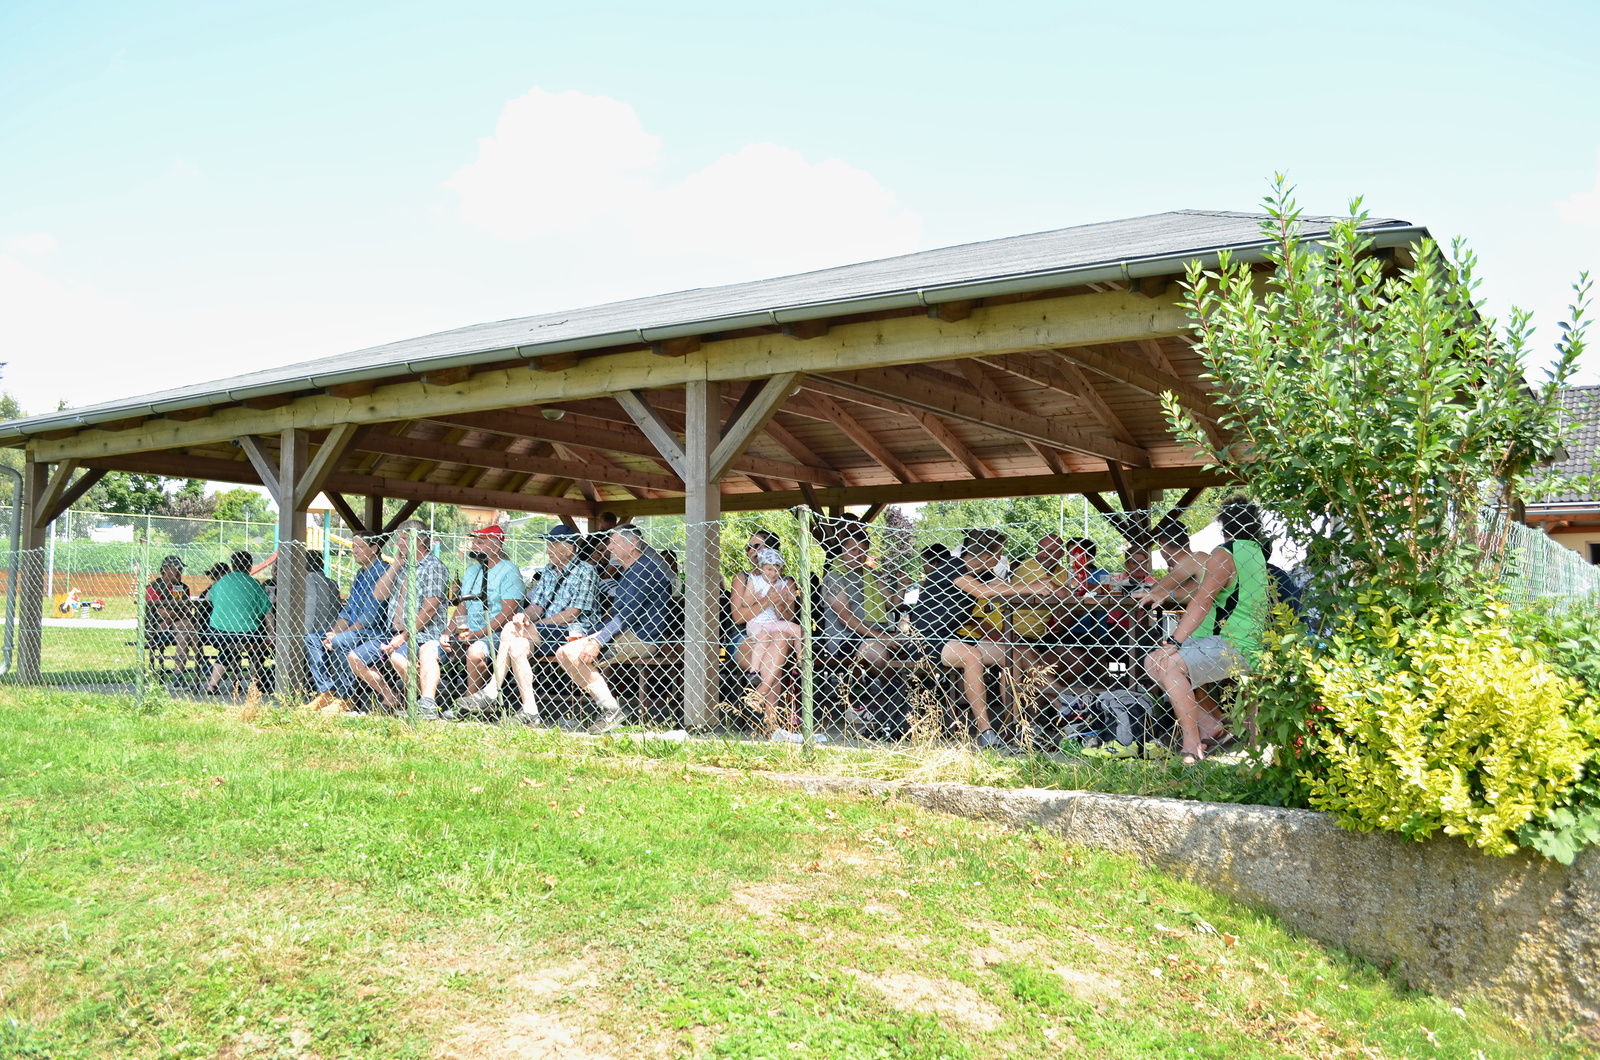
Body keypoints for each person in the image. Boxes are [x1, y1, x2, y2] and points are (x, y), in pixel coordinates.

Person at [911, 528, 1070, 753]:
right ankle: (986, 731)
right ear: (987, 556)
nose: (1000, 559)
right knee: (971, 656)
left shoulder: (981, 572)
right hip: (926, 639)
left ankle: (1021, 723)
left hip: (952, 637)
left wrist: (1048, 586)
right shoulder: (952, 566)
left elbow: (999, 587)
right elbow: (981, 592)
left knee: (1014, 653)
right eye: (999, 554)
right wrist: (1031, 587)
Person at [1143, 497, 1271, 765]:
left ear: (1223, 525)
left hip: (1232, 644)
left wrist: (1173, 642)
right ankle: (1210, 725)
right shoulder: (1256, 551)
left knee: (1166, 663)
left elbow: (1203, 600)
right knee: (1152, 660)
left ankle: (1191, 746)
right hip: (1250, 643)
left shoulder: (1224, 553)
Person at [456, 524, 601, 724]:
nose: (548, 550)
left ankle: (491, 690)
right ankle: (530, 712)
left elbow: (571, 615)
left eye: (553, 545)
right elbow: (536, 607)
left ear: (569, 548)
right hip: (544, 631)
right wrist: (523, 617)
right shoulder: (549, 570)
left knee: (510, 629)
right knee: (516, 645)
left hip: (573, 632)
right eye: (548, 545)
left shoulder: (586, 571)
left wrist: (534, 625)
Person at [554, 524, 674, 734]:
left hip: (642, 637)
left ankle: (610, 710)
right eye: (610, 543)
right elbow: (619, 614)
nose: (609, 548)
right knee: (563, 653)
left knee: (573, 654)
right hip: (625, 633)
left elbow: (626, 615)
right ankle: (608, 708)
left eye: (614, 542)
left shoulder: (644, 571)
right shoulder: (630, 570)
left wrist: (597, 640)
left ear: (633, 544)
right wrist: (591, 635)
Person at [350, 520, 450, 718]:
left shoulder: (434, 567)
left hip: (422, 634)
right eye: (399, 539)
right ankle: (392, 697)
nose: (400, 544)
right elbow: (379, 594)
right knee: (355, 658)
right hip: (392, 633)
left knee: (398, 658)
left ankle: (424, 703)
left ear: (420, 540)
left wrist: (404, 636)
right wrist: (396, 564)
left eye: (404, 539)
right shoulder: (403, 566)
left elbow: (430, 608)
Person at [305, 532, 389, 713]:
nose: (354, 551)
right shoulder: (360, 573)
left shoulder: (382, 572)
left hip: (376, 633)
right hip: (354, 631)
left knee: (340, 641)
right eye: (353, 547)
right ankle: (327, 691)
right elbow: (347, 609)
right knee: (312, 639)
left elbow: (369, 618)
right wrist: (334, 633)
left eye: (360, 547)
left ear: (374, 549)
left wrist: (339, 636)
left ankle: (345, 698)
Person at [444, 524, 525, 702]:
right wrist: (447, 633)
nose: (474, 546)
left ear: (496, 547)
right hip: (470, 632)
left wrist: (479, 634)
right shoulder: (472, 571)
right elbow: (463, 607)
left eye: (480, 543)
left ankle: (469, 703)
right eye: (474, 542)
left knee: (475, 652)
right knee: (430, 649)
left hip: (497, 634)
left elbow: (508, 612)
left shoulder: (509, 571)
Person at [818, 525, 905, 669]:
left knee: (916, 644)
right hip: (844, 637)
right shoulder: (834, 578)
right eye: (853, 550)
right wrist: (882, 638)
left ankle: (910, 682)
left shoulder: (871, 574)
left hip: (876, 633)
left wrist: (902, 588)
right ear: (843, 550)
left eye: (863, 551)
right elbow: (845, 618)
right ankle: (894, 683)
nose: (858, 555)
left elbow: (892, 604)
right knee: (878, 652)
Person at [735, 548, 802, 732]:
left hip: (773, 624)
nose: (773, 573)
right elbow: (740, 614)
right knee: (773, 660)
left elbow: (785, 616)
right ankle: (771, 722)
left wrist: (783, 602)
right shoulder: (749, 579)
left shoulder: (783, 583)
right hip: (756, 627)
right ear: (762, 567)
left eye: (776, 569)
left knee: (787, 635)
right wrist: (766, 600)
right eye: (769, 569)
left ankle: (801, 662)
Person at [203, 551, 272, 695]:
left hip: (217, 632)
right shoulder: (254, 583)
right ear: (250, 566)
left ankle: (212, 685)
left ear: (232, 565)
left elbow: (208, 597)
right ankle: (258, 682)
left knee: (228, 648)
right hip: (246, 633)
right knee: (256, 642)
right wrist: (272, 633)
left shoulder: (222, 581)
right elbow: (268, 611)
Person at [144, 554, 198, 684]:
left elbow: (181, 610)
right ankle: (202, 661)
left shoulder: (179, 587)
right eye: (177, 568)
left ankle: (178, 677)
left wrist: (171, 618)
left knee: (184, 631)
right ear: (166, 569)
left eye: (181, 569)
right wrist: (176, 615)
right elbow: (162, 613)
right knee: (187, 626)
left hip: (177, 627)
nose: (180, 572)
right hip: (156, 629)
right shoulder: (154, 587)